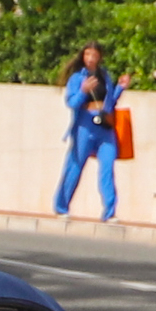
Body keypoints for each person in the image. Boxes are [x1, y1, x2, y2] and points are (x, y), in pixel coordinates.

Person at [54, 41, 131, 220]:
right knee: (74, 166)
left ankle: (109, 212)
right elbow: (71, 103)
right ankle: (61, 207)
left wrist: (120, 88)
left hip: (104, 126)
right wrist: (83, 91)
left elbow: (111, 101)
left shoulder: (105, 75)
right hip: (84, 125)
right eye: (87, 54)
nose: (90, 59)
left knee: (107, 167)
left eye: (94, 55)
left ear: (99, 57)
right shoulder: (76, 78)